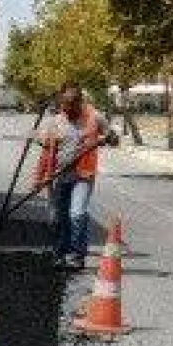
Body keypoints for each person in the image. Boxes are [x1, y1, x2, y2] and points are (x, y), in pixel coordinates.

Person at [34, 82, 111, 270]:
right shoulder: (55, 122)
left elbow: (111, 136)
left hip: (83, 175)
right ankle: (60, 253)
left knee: (77, 214)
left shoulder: (94, 117)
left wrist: (109, 138)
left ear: (79, 102)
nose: (67, 109)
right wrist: (39, 177)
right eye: (64, 105)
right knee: (59, 217)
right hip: (59, 177)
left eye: (71, 104)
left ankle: (77, 256)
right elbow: (46, 152)